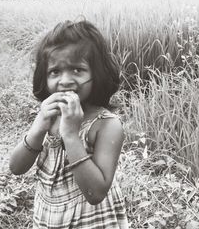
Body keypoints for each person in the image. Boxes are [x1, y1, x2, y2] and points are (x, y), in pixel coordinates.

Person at [9, 20, 129, 228]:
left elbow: (96, 193)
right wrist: (38, 128)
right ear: (44, 78)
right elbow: (16, 167)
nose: (65, 80)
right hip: (51, 218)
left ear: (96, 74)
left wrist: (71, 135)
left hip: (93, 221)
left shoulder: (106, 125)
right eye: (55, 72)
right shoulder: (50, 117)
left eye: (77, 70)